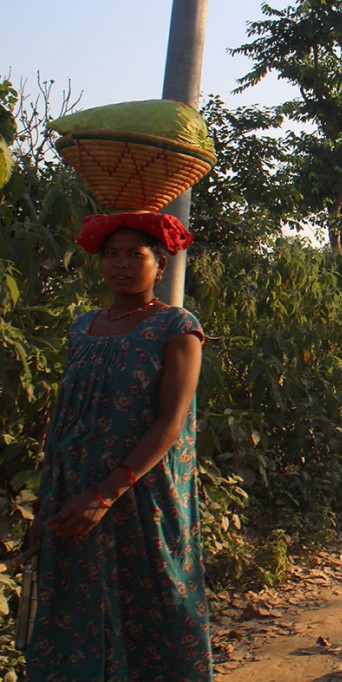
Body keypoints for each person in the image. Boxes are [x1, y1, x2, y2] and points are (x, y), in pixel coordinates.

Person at [27, 212, 213, 680]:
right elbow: (68, 415)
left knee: (156, 603)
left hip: (139, 493)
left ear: (161, 264)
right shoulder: (82, 327)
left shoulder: (177, 327)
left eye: (136, 254)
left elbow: (171, 423)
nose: (122, 264)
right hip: (73, 489)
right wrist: (53, 495)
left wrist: (107, 492)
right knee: (75, 603)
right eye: (113, 254)